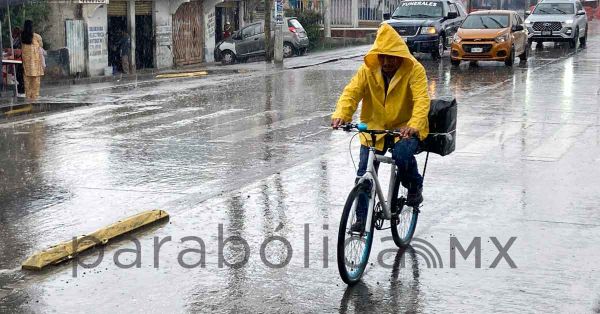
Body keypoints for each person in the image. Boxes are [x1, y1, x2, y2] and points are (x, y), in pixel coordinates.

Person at [331, 23, 430, 231]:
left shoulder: (414, 70)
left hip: (404, 130)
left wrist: (413, 125)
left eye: (391, 57)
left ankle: (414, 186)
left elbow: (422, 100)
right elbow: (352, 92)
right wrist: (341, 114)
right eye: (383, 57)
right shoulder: (367, 71)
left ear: (400, 56)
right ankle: (360, 220)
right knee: (363, 176)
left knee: (402, 156)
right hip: (373, 130)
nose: (386, 61)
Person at [20, 20, 44, 100]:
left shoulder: (22, 37)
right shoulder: (37, 37)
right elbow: (41, 47)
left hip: (26, 65)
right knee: (35, 84)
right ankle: (34, 99)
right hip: (36, 65)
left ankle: (28, 98)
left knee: (27, 83)